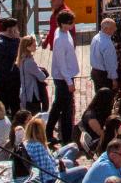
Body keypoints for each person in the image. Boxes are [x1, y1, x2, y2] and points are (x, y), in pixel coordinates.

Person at [47, 10, 79, 144]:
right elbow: (61, 63)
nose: (72, 25)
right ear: (62, 23)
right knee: (66, 109)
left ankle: (48, 131)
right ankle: (66, 137)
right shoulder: (60, 39)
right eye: (69, 23)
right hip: (63, 78)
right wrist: (68, 82)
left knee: (58, 105)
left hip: (65, 76)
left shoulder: (62, 32)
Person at [23, 117, 88, 183]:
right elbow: (48, 173)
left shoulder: (26, 143)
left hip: (46, 175)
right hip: (51, 180)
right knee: (83, 170)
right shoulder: (39, 146)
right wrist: (61, 170)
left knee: (69, 163)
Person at [0, 17, 22, 117]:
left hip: (12, 75)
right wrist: (18, 40)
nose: (18, 31)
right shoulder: (1, 42)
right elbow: (15, 54)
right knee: (7, 101)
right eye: (15, 29)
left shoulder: (11, 40)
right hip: (6, 77)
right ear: (10, 29)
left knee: (15, 100)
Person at [16, 35, 46, 111]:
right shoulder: (29, 62)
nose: (35, 45)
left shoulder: (21, 60)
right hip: (32, 94)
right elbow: (42, 77)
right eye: (33, 45)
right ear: (27, 47)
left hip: (24, 93)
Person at [89, 18, 119, 91]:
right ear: (106, 29)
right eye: (113, 28)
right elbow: (110, 63)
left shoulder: (95, 38)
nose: (115, 29)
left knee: (99, 96)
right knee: (106, 99)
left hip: (95, 72)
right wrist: (113, 79)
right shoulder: (107, 43)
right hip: (103, 75)